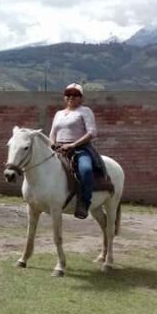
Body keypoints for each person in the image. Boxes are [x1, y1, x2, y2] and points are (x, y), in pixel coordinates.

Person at [49, 83, 98, 219]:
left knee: (86, 170)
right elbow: (52, 133)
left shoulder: (85, 111)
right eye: (68, 94)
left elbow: (92, 132)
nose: (71, 97)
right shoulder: (59, 114)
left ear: (81, 98)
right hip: (59, 149)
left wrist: (73, 145)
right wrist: (53, 144)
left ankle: (84, 203)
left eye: (75, 95)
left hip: (79, 149)